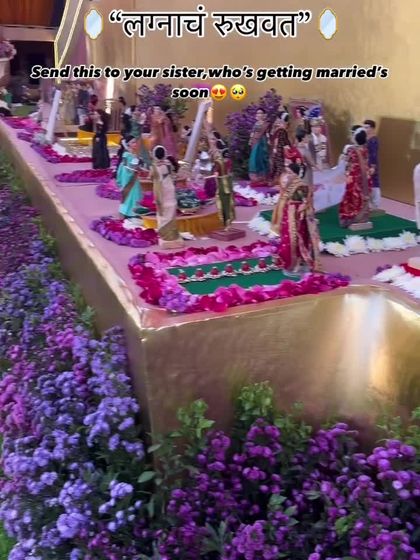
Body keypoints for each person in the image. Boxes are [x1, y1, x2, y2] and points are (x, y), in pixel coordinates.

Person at [271, 155, 322, 275]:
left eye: (290, 173)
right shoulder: (289, 183)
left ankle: (297, 263)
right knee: (286, 237)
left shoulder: (301, 185)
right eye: (287, 172)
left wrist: (301, 209)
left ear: (295, 174)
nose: (287, 175)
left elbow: (305, 202)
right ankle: (288, 262)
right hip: (288, 213)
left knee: (295, 238)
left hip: (296, 216)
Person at [151, 145, 184, 249]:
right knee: (171, 208)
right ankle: (173, 236)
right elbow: (174, 173)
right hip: (169, 187)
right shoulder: (168, 164)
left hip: (160, 190)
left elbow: (151, 177)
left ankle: (165, 236)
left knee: (163, 211)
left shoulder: (154, 167)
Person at [339, 127, 372, 228]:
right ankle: (362, 217)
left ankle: (350, 217)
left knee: (351, 196)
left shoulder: (352, 150)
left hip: (353, 176)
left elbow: (345, 161)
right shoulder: (365, 150)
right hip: (365, 176)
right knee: (362, 195)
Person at [116, 136, 144, 220]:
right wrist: (138, 164)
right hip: (129, 177)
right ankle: (131, 212)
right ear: (128, 144)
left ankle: (127, 211)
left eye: (135, 142)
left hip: (128, 175)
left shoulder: (128, 153)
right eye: (133, 142)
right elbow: (130, 168)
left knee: (131, 193)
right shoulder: (129, 155)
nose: (135, 144)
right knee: (133, 192)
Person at [248, 108, 270, 185]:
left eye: (260, 113)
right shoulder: (256, 124)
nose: (259, 115)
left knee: (261, 158)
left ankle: (263, 177)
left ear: (264, 115)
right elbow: (253, 132)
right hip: (255, 142)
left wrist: (268, 140)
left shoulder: (266, 124)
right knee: (254, 158)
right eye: (258, 113)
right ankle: (255, 178)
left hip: (262, 142)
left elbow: (267, 133)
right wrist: (250, 139)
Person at [363, 119, 381, 210]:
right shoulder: (366, 139)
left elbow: (374, 154)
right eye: (364, 127)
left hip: (371, 164)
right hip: (366, 164)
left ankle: (375, 204)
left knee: (374, 183)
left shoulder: (373, 140)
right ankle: (369, 204)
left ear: (372, 128)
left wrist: (373, 167)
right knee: (367, 183)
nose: (365, 129)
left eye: (367, 127)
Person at [269, 111, 291, 183]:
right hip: (280, 150)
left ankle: (273, 180)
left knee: (275, 165)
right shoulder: (281, 130)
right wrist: (288, 147)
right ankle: (277, 181)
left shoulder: (277, 128)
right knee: (279, 165)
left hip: (276, 149)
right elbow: (281, 141)